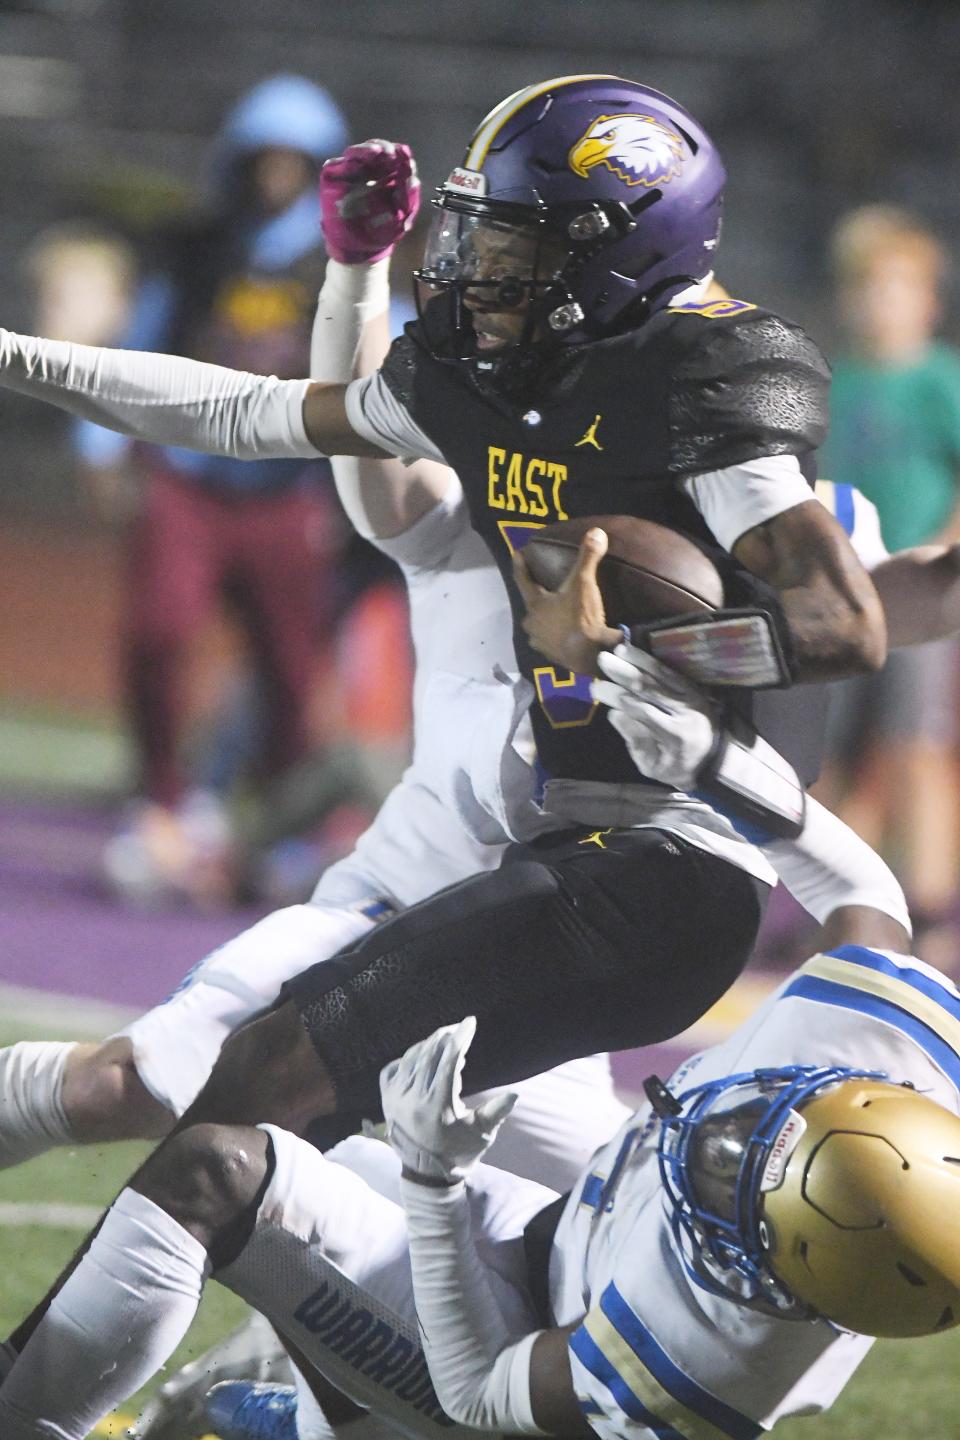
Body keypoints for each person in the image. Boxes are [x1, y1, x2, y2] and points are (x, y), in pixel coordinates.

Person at [0, 78, 887, 1135]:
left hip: (550, 912)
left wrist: (646, 658)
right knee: (201, 1111)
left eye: (514, 246)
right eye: (478, 237)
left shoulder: (702, 405)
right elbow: (265, 415)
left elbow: (854, 627)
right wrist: (17, 357)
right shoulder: (462, 482)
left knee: (582, 1230)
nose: (474, 271)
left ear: (615, 252)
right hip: (425, 895)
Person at [0, 765, 927, 1439]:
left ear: (781, 1279)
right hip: (552, 1241)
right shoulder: (885, 1040)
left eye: (741, 1200)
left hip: (518, 1379)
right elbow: (863, 890)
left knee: (219, 1171)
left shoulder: (706, 1359)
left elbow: (486, 1392)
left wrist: (436, 1177)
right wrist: (723, 767)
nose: (720, 1152)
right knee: (327, 1176)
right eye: (764, 1136)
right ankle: (294, 1413)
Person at [78, 74, 362, 905]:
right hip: (189, 479)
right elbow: (137, 344)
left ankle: (280, 821)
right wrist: (99, 441)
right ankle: (164, 803)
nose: (274, 174)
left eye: (293, 160)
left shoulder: (345, 261)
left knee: (288, 667)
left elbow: (381, 359)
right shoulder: (195, 247)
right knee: (159, 632)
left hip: (288, 493)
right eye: (262, 157)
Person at [818, 205, 960, 937]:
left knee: (917, 747)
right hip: (850, 591)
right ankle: (849, 908)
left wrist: (942, 553)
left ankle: (932, 912)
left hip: (922, 594)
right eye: (871, 287)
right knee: (838, 754)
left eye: (899, 288)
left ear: (929, 299)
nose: (883, 303)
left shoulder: (940, 379)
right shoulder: (839, 381)